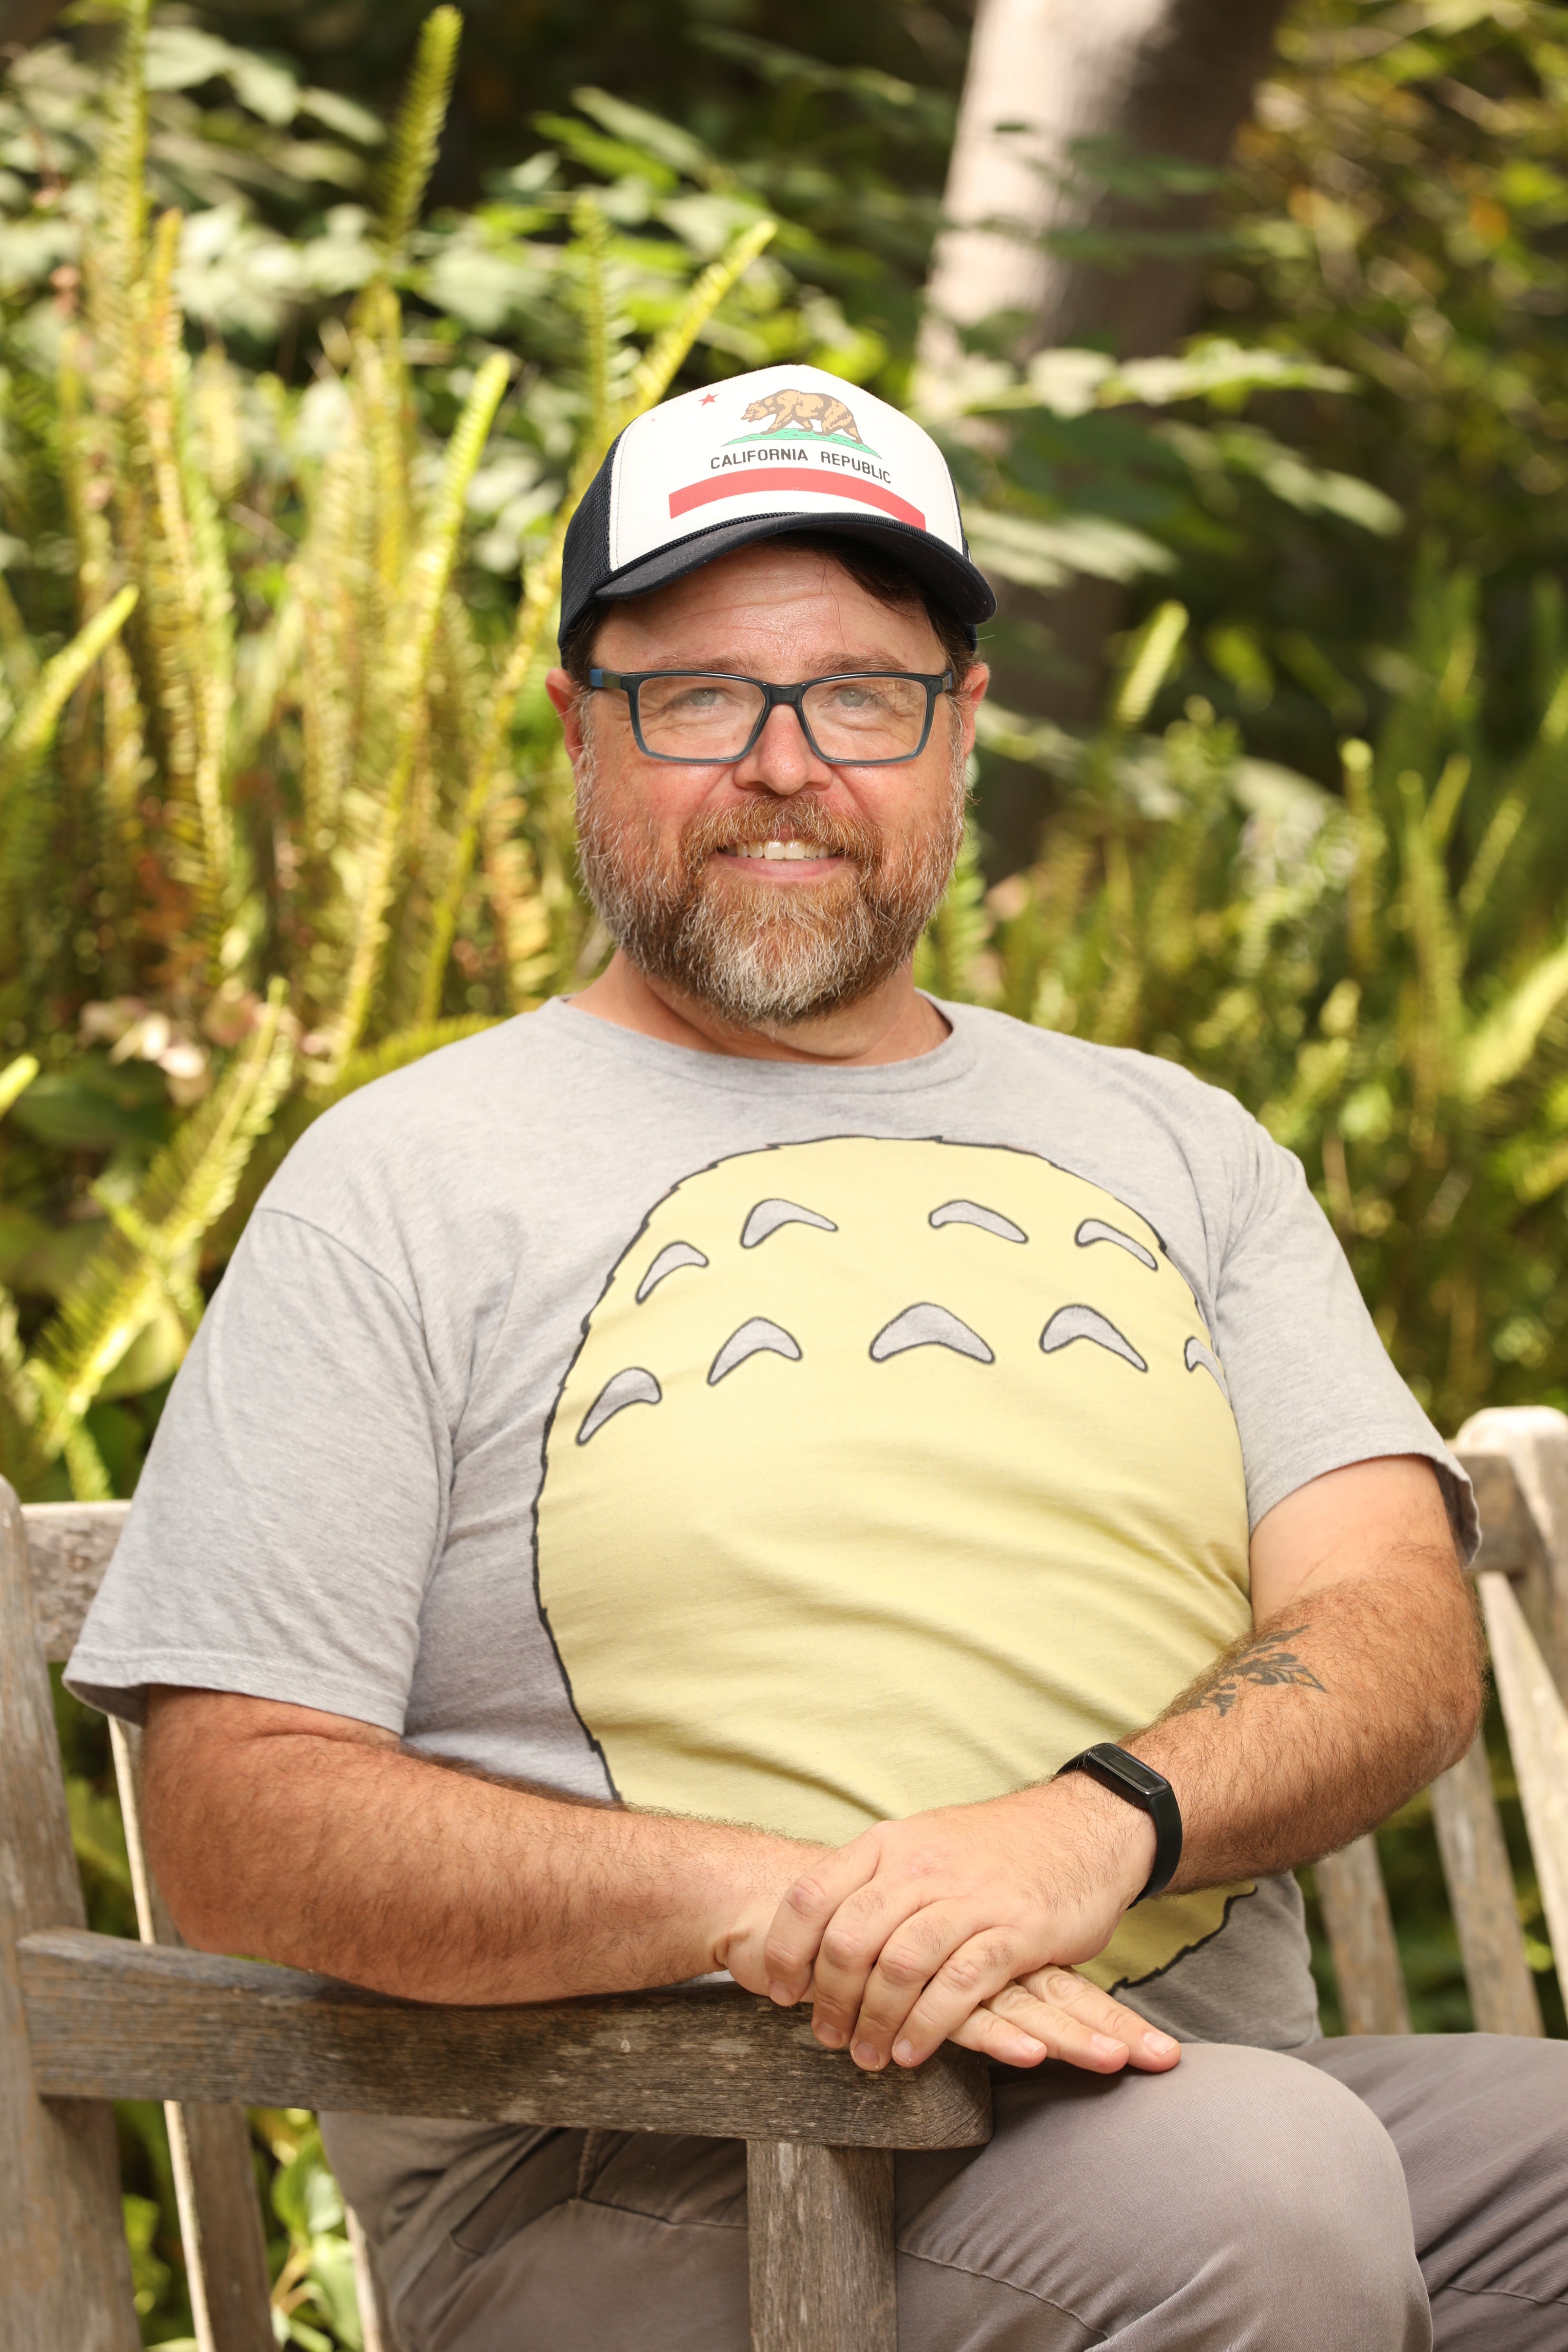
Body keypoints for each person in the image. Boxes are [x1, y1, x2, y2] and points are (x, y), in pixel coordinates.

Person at [68, 363, 1567, 2352]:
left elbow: (1390, 1619)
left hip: (1187, 2095)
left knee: (1290, 2161)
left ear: (960, 729)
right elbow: (243, 1815)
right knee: (1262, 2189)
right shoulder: (403, 1184)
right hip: (657, 2154)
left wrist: (1089, 1827)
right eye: (701, 697)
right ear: (582, 728)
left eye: (861, 696)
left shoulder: (1181, 1148)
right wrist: (792, 1911)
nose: (786, 765)